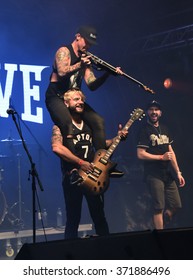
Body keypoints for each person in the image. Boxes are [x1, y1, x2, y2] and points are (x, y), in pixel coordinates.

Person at [51, 88, 127, 239]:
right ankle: (70, 256)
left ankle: (106, 252)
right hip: (73, 178)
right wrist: (80, 163)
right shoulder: (60, 126)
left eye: (81, 99)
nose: (80, 102)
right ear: (66, 103)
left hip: (93, 177)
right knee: (73, 219)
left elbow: (100, 145)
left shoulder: (90, 124)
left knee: (99, 217)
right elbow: (56, 147)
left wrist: (117, 138)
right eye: (75, 99)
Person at [46, 25, 123, 152]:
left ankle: (99, 160)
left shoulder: (85, 58)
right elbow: (61, 72)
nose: (88, 46)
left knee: (98, 121)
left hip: (75, 99)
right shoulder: (64, 51)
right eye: (86, 42)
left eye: (90, 44)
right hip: (56, 96)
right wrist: (80, 65)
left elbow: (92, 85)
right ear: (78, 37)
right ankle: (75, 165)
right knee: (66, 123)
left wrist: (108, 73)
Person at [136, 100, 185, 230]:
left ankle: (162, 222)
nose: (154, 112)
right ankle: (161, 236)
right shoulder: (144, 130)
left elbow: (171, 152)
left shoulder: (165, 129)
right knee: (158, 207)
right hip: (153, 174)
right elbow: (140, 154)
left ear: (160, 113)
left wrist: (178, 172)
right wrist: (160, 157)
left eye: (156, 109)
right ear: (147, 112)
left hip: (167, 173)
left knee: (176, 205)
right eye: (151, 109)